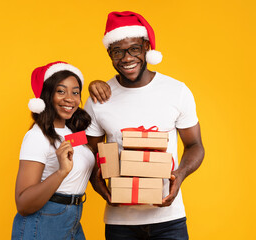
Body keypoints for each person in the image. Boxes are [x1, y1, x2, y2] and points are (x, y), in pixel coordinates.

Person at [85, 11, 205, 240]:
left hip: (168, 220)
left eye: (134, 49)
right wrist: (96, 183)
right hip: (119, 222)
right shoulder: (99, 98)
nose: (127, 58)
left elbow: (195, 145)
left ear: (147, 48)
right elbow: (88, 151)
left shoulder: (177, 91)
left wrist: (179, 176)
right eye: (118, 51)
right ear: (110, 54)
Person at [11, 61, 95, 240]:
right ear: (47, 95)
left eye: (75, 92)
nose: (70, 99)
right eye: (61, 91)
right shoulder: (37, 136)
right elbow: (23, 204)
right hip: (43, 222)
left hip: (71, 219)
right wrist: (61, 172)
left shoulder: (72, 132)